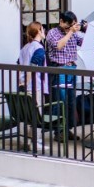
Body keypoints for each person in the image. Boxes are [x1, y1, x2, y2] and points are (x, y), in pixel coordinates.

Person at [46, 11, 86, 142]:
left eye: (74, 24)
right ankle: (58, 131)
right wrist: (70, 32)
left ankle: (67, 129)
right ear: (61, 21)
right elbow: (58, 46)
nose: (71, 27)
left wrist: (87, 30)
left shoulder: (73, 33)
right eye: (70, 25)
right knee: (60, 101)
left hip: (72, 69)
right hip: (59, 69)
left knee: (70, 101)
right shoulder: (52, 33)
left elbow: (85, 43)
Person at [18, 22, 48, 100]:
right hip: (35, 86)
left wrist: (21, 83)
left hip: (23, 84)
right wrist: (26, 83)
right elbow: (32, 68)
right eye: (43, 29)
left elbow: (19, 65)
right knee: (37, 106)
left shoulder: (25, 47)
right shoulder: (38, 48)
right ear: (39, 31)